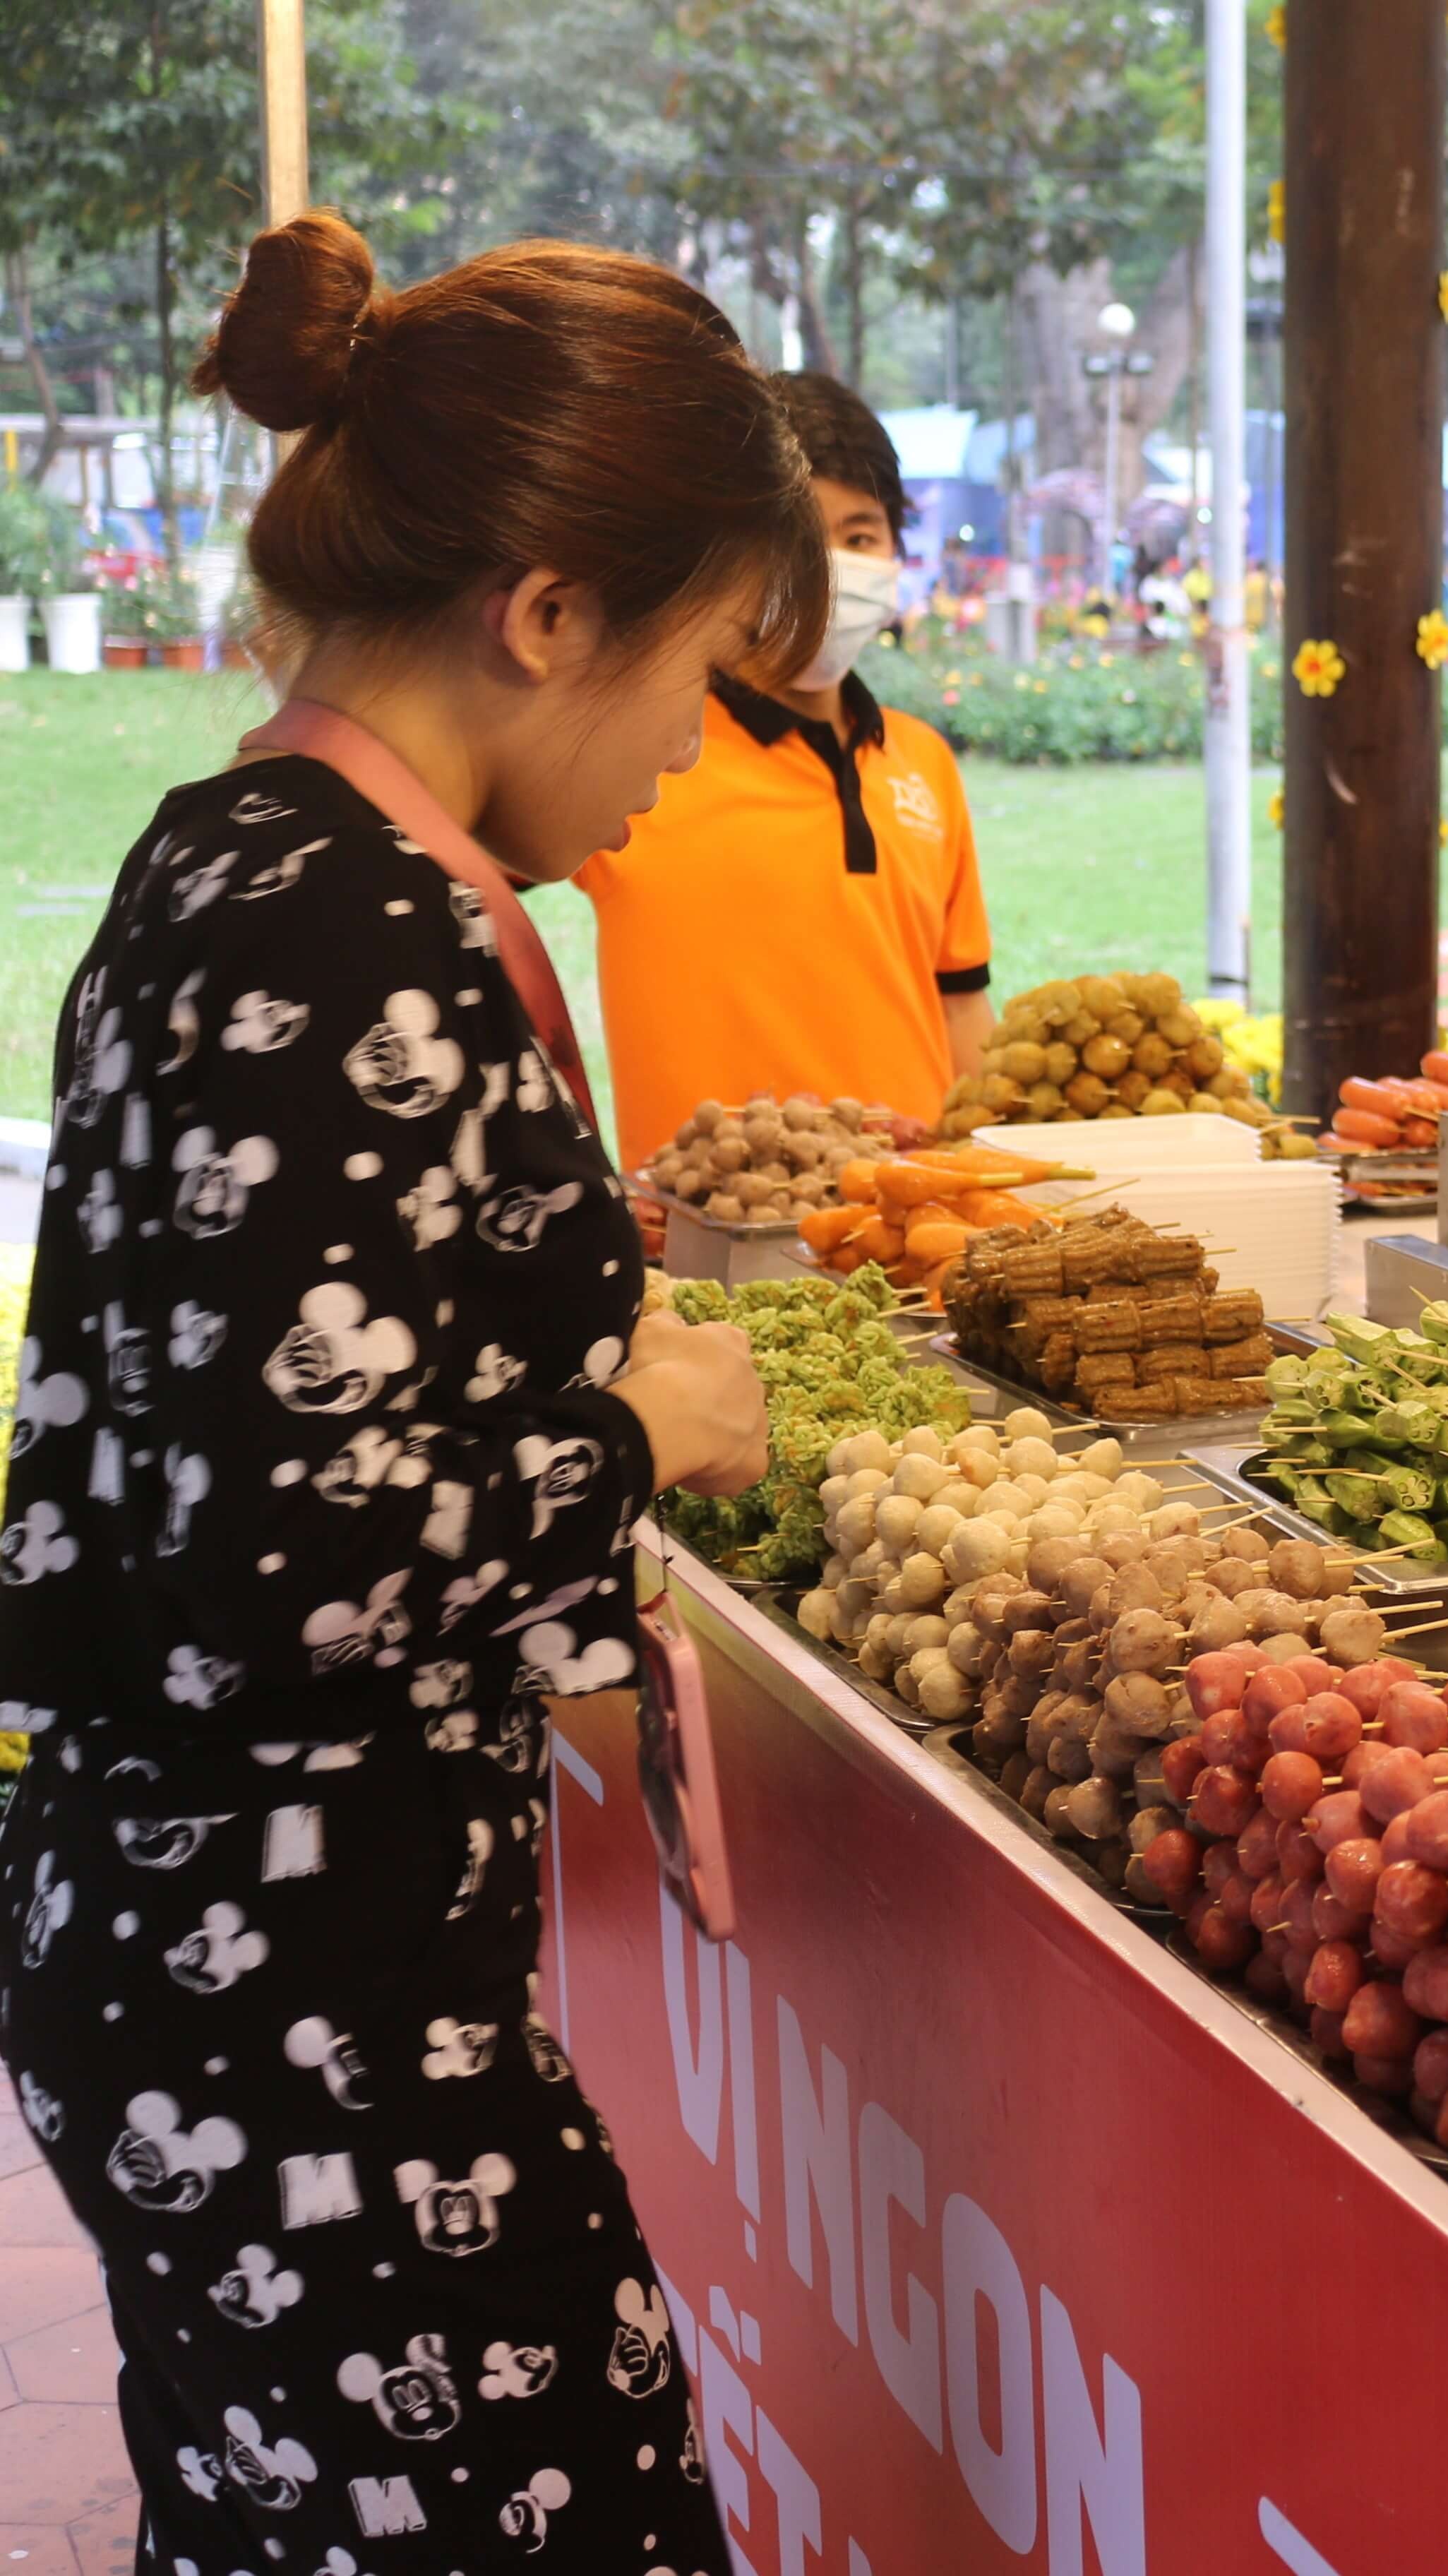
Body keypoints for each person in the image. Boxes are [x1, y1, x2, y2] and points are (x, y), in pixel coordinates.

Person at [0, 210, 792, 2563]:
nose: (687, 752)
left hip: (222, 1965)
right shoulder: (345, 918)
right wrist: (649, 1430)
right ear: (546, 610)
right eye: (695, 672)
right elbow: (289, 1555)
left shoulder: (240, 852)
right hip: (302, 2015)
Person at [574, 371, 994, 1157]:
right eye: (797, 533)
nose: (830, 567)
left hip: (908, 1236)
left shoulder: (923, 763)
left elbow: (963, 1005)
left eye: (861, 535)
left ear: (899, 550)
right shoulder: (642, 745)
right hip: (709, 1245)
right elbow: (461, 875)